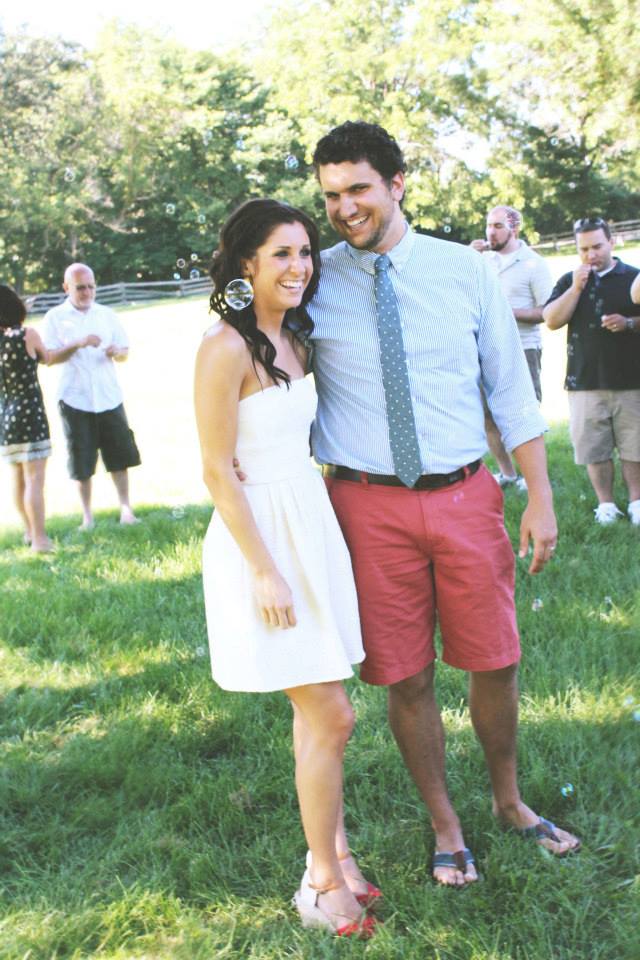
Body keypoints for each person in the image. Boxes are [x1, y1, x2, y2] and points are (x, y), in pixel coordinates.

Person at [305, 121, 580, 885]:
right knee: (407, 675)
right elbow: (255, 342)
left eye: (359, 188)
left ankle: (509, 801)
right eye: (331, 195)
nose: (345, 207)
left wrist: (541, 498)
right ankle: (444, 823)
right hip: (365, 504)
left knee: (495, 659)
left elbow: (512, 392)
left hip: (465, 494)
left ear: (397, 184)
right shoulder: (314, 279)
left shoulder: (464, 271)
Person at [194, 199, 377, 937]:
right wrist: (264, 571)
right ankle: (321, 881)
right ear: (247, 262)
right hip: (261, 544)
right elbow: (216, 469)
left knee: (317, 710)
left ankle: (336, 852)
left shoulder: (292, 335)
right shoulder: (224, 347)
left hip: (309, 523)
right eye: (282, 254)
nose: (300, 266)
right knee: (333, 713)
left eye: (305, 251)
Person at [543, 217, 640, 525]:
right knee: (594, 449)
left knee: (635, 446)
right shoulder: (569, 280)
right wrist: (575, 288)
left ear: (612, 241)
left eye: (597, 246)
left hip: (632, 378)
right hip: (585, 380)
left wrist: (629, 323)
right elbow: (551, 320)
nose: (591, 255)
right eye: (583, 249)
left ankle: (637, 503)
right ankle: (606, 504)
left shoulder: (633, 278)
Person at [42, 264, 140, 529]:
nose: (86, 292)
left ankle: (126, 509)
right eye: (80, 288)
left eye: (90, 287)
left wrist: (117, 352)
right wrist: (78, 343)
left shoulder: (106, 315)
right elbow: (49, 358)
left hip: (108, 396)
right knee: (81, 460)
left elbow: (125, 351)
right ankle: (87, 516)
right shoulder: (55, 317)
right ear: (66, 287)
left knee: (119, 455)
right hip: (75, 398)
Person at [470, 206, 554, 490]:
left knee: (523, 416)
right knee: (487, 415)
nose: (490, 232)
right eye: (488, 225)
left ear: (514, 229)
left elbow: (547, 311)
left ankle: (532, 478)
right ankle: (508, 474)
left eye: (498, 226)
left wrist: (506, 312)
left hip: (523, 348)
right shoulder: (482, 261)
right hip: (482, 349)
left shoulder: (534, 263)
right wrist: (468, 258)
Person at [0, 284, 53, 552]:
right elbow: (47, 357)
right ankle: (41, 540)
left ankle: (29, 532)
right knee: (35, 479)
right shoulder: (26, 335)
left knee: (18, 478)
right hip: (30, 414)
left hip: (5, 416)